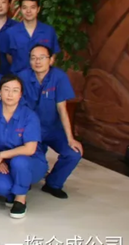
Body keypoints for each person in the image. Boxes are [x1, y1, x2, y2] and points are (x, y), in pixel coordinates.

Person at [17, 44, 82, 199]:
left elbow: (62, 109)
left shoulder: (59, 77)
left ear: (51, 60)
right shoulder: (22, 77)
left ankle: (53, 184)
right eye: (33, 58)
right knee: (35, 164)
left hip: (54, 129)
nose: (37, 61)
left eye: (42, 57)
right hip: (31, 131)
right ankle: (28, 179)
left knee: (73, 153)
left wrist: (70, 138)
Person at [0, 75, 48, 219]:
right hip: (4, 163)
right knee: (0, 187)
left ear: (20, 94)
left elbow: (30, 149)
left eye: (15, 90)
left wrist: (2, 155)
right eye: (6, 89)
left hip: (31, 162)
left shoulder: (29, 116)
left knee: (19, 161)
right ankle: (17, 188)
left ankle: (20, 199)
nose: (10, 94)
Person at [5, 0, 60, 74]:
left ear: (38, 9)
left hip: (42, 77)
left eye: (32, 7)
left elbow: (53, 54)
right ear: (20, 9)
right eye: (25, 8)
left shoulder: (49, 31)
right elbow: (9, 56)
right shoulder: (11, 32)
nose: (28, 11)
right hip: (18, 77)